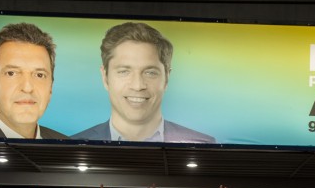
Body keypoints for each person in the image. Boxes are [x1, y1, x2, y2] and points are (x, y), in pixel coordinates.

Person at [73, 22, 215, 143]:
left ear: (167, 78)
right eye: (124, 71)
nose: (138, 86)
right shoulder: (73, 145)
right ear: (105, 77)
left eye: (150, 72)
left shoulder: (204, 145)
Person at [0, 23, 66, 139]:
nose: (27, 88)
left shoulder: (68, 145)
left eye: (39, 75)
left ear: (50, 89)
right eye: (11, 73)